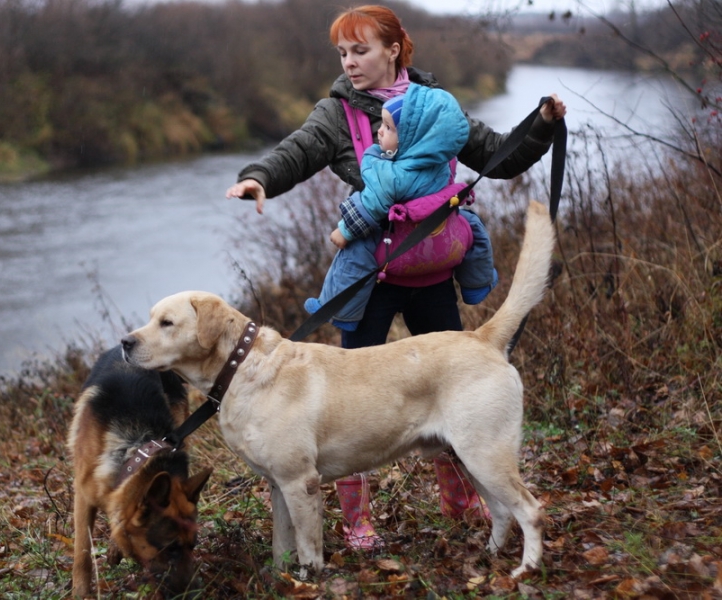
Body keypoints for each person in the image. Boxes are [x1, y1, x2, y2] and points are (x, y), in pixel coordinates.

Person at [225, 4, 567, 550]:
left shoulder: (436, 107)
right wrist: (258, 177)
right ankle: (357, 521)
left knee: (452, 394)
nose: (350, 62)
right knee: (346, 403)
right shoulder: (337, 114)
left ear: (393, 49)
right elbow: (298, 151)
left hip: (432, 271)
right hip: (371, 277)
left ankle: (464, 504)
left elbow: (498, 158)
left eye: (360, 50)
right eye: (342, 52)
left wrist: (543, 127)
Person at [304, 85, 498, 331]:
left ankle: (337, 308)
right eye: (381, 125)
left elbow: (370, 206)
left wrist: (344, 231)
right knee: (473, 225)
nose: (379, 131)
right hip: (442, 244)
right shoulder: (442, 160)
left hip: (394, 248)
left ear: (410, 140)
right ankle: (478, 282)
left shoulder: (392, 175)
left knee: (354, 254)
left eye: (388, 128)